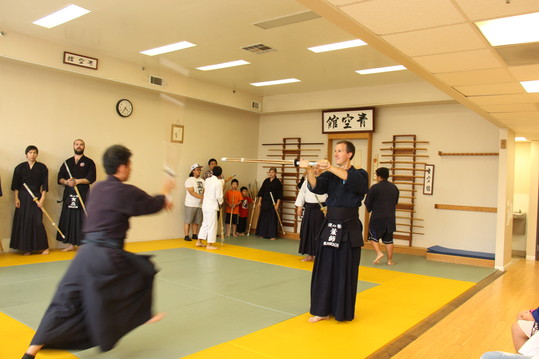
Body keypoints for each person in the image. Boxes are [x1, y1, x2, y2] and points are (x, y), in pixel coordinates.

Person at [21, 144, 174, 359]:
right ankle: (142, 314)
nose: (130, 169)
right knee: (144, 270)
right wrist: (166, 192)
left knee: (63, 300)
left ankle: (30, 353)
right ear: (122, 167)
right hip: (108, 255)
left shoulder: (99, 188)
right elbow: (151, 204)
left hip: (84, 254)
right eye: (129, 165)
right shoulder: (125, 191)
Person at [299, 140, 369, 323]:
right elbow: (315, 187)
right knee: (325, 268)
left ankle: (341, 311)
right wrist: (308, 170)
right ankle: (321, 310)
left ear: (349, 154)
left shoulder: (360, 174)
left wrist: (329, 167)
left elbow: (355, 183)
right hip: (330, 224)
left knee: (344, 269)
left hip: (349, 226)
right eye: (335, 151)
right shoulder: (329, 176)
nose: (336, 153)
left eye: (340, 151)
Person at [57, 139, 96, 251]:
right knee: (70, 217)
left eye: (81, 144)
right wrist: (66, 182)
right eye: (77, 144)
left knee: (82, 217)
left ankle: (85, 244)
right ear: (73, 146)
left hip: (82, 193)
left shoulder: (89, 162)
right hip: (69, 194)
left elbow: (91, 178)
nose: (79, 146)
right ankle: (71, 244)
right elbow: (60, 178)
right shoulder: (67, 162)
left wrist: (77, 181)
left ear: (84, 146)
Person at [10, 145, 50, 256]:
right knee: (25, 222)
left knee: (37, 222)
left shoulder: (42, 167)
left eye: (34, 153)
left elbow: (45, 185)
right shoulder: (20, 168)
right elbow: (16, 185)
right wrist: (16, 198)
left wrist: (42, 199)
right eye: (30, 152)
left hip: (36, 197)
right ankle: (27, 248)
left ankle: (44, 247)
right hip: (22, 197)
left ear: (37, 154)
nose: (32, 155)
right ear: (26, 154)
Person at [365, 167, 399, 265]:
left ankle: (379, 253)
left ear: (378, 176)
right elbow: (395, 202)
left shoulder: (375, 187)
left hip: (377, 217)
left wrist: (370, 209)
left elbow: (368, 202)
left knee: (373, 238)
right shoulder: (394, 188)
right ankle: (389, 261)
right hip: (390, 217)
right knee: (389, 240)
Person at [295, 166, 327, 261]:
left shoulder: (325, 180)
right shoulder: (307, 180)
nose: (316, 170)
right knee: (308, 231)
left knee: (319, 232)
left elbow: (330, 195)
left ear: (322, 169)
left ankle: (320, 255)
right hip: (309, 208)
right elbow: (302, 194)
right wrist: (300, 207)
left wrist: (328, 208)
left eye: (318, 168)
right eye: (314, 169)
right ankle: (310, 254)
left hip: (321, 209)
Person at [197, 165, 224, 250]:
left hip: (205, 205)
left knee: (205, 223)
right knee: (212, 225)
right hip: (212, 206)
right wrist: (221, 203)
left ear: (212, 172)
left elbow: (205, 191)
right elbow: (219, 196)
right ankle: (209, 244)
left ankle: (199, 241)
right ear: (220, 174)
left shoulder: (207, 180)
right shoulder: (218, 182)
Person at [255, 167, 283, 240]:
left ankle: (272, 235)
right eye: (270, 172)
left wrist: (277, 204)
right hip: (265, 202)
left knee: (272, 218)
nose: (271, 173)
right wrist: (259, 201)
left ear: (275, 173)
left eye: (272, 172)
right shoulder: (266, 181)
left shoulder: (277, 182)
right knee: (263, 218)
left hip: (273, 203)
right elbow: (261, 192)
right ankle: (262, 233)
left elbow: (280, 194)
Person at [184, 163, 204, 241]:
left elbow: (204, 190)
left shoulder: (202, 180)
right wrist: (202, 197)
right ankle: (186, 235)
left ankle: (195, 234)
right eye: (198, 170)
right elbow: (191, 192)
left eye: (200, 170)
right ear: (193, 171)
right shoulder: (189, 180)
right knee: (188, 220)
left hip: (199, 204)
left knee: (197, 221)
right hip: (190, 204)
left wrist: (203, 197)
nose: (199, 171)